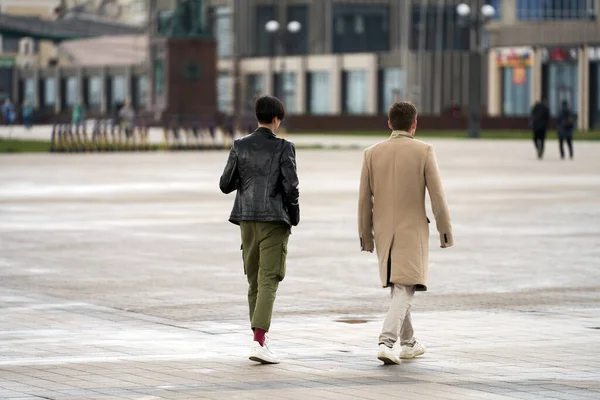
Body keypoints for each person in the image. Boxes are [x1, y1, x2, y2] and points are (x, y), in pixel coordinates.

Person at [358, 101, 453, 365]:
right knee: (405, 286)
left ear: (389, 123)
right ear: (414, 124)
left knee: (400, 284)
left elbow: (365, 200)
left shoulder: (371, 153)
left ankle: (409, 343)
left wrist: (366, 236)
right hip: (412, 231)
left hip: (384, 232)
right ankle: (386, 341)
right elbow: (437, 196)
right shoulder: (424, 151)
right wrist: (445, 233)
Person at [219, 95, 300, 365]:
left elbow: (225, 184)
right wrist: (295, 214)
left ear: (257, 116)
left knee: (254, 280)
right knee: (269, 279)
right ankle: (259, 341)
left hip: (247, 220)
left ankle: (259, 338)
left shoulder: (240, 145)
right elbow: (291, 187)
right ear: (277, 119)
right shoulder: (284, 147)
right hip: (274, 220)